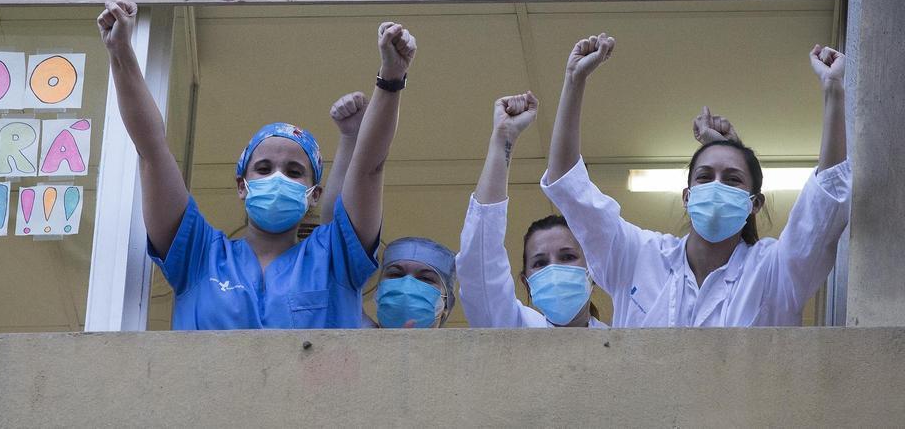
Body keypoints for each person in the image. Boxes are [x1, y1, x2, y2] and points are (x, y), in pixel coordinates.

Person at [97, 1, 416, 329]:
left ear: (314, 194)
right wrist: (120, 50)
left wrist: (391, 80)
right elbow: (151, 150)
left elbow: (369, 168)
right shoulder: (198, 254)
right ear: (241, 185)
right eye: (263, 169)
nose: (277, 177)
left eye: (294, 172)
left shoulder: (334, 258)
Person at [542, 34, 851, 327]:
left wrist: (833, 90)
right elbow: (568, 184)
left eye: (732, 180)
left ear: (754, 203)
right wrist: (574, 80)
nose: (716, 186)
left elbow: (825, 202)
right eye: (705, 177)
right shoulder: (638, 256)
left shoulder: (773, 270)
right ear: (687, 197)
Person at [456, 91, 607, 328]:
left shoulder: (621, 341)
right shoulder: (514, 329)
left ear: (593, 272)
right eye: (540, 263)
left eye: (567, 256)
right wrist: (503, 138)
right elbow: (479, 261)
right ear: (526, 283)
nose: (554, 269)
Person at [318, 91, 456, 329]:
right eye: (395, 274)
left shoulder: (467, 361)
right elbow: (335, 233)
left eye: (425, 279)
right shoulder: (358, 334)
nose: (406, 286)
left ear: (447, 302)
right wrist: (351, 138)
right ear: (379, 289)